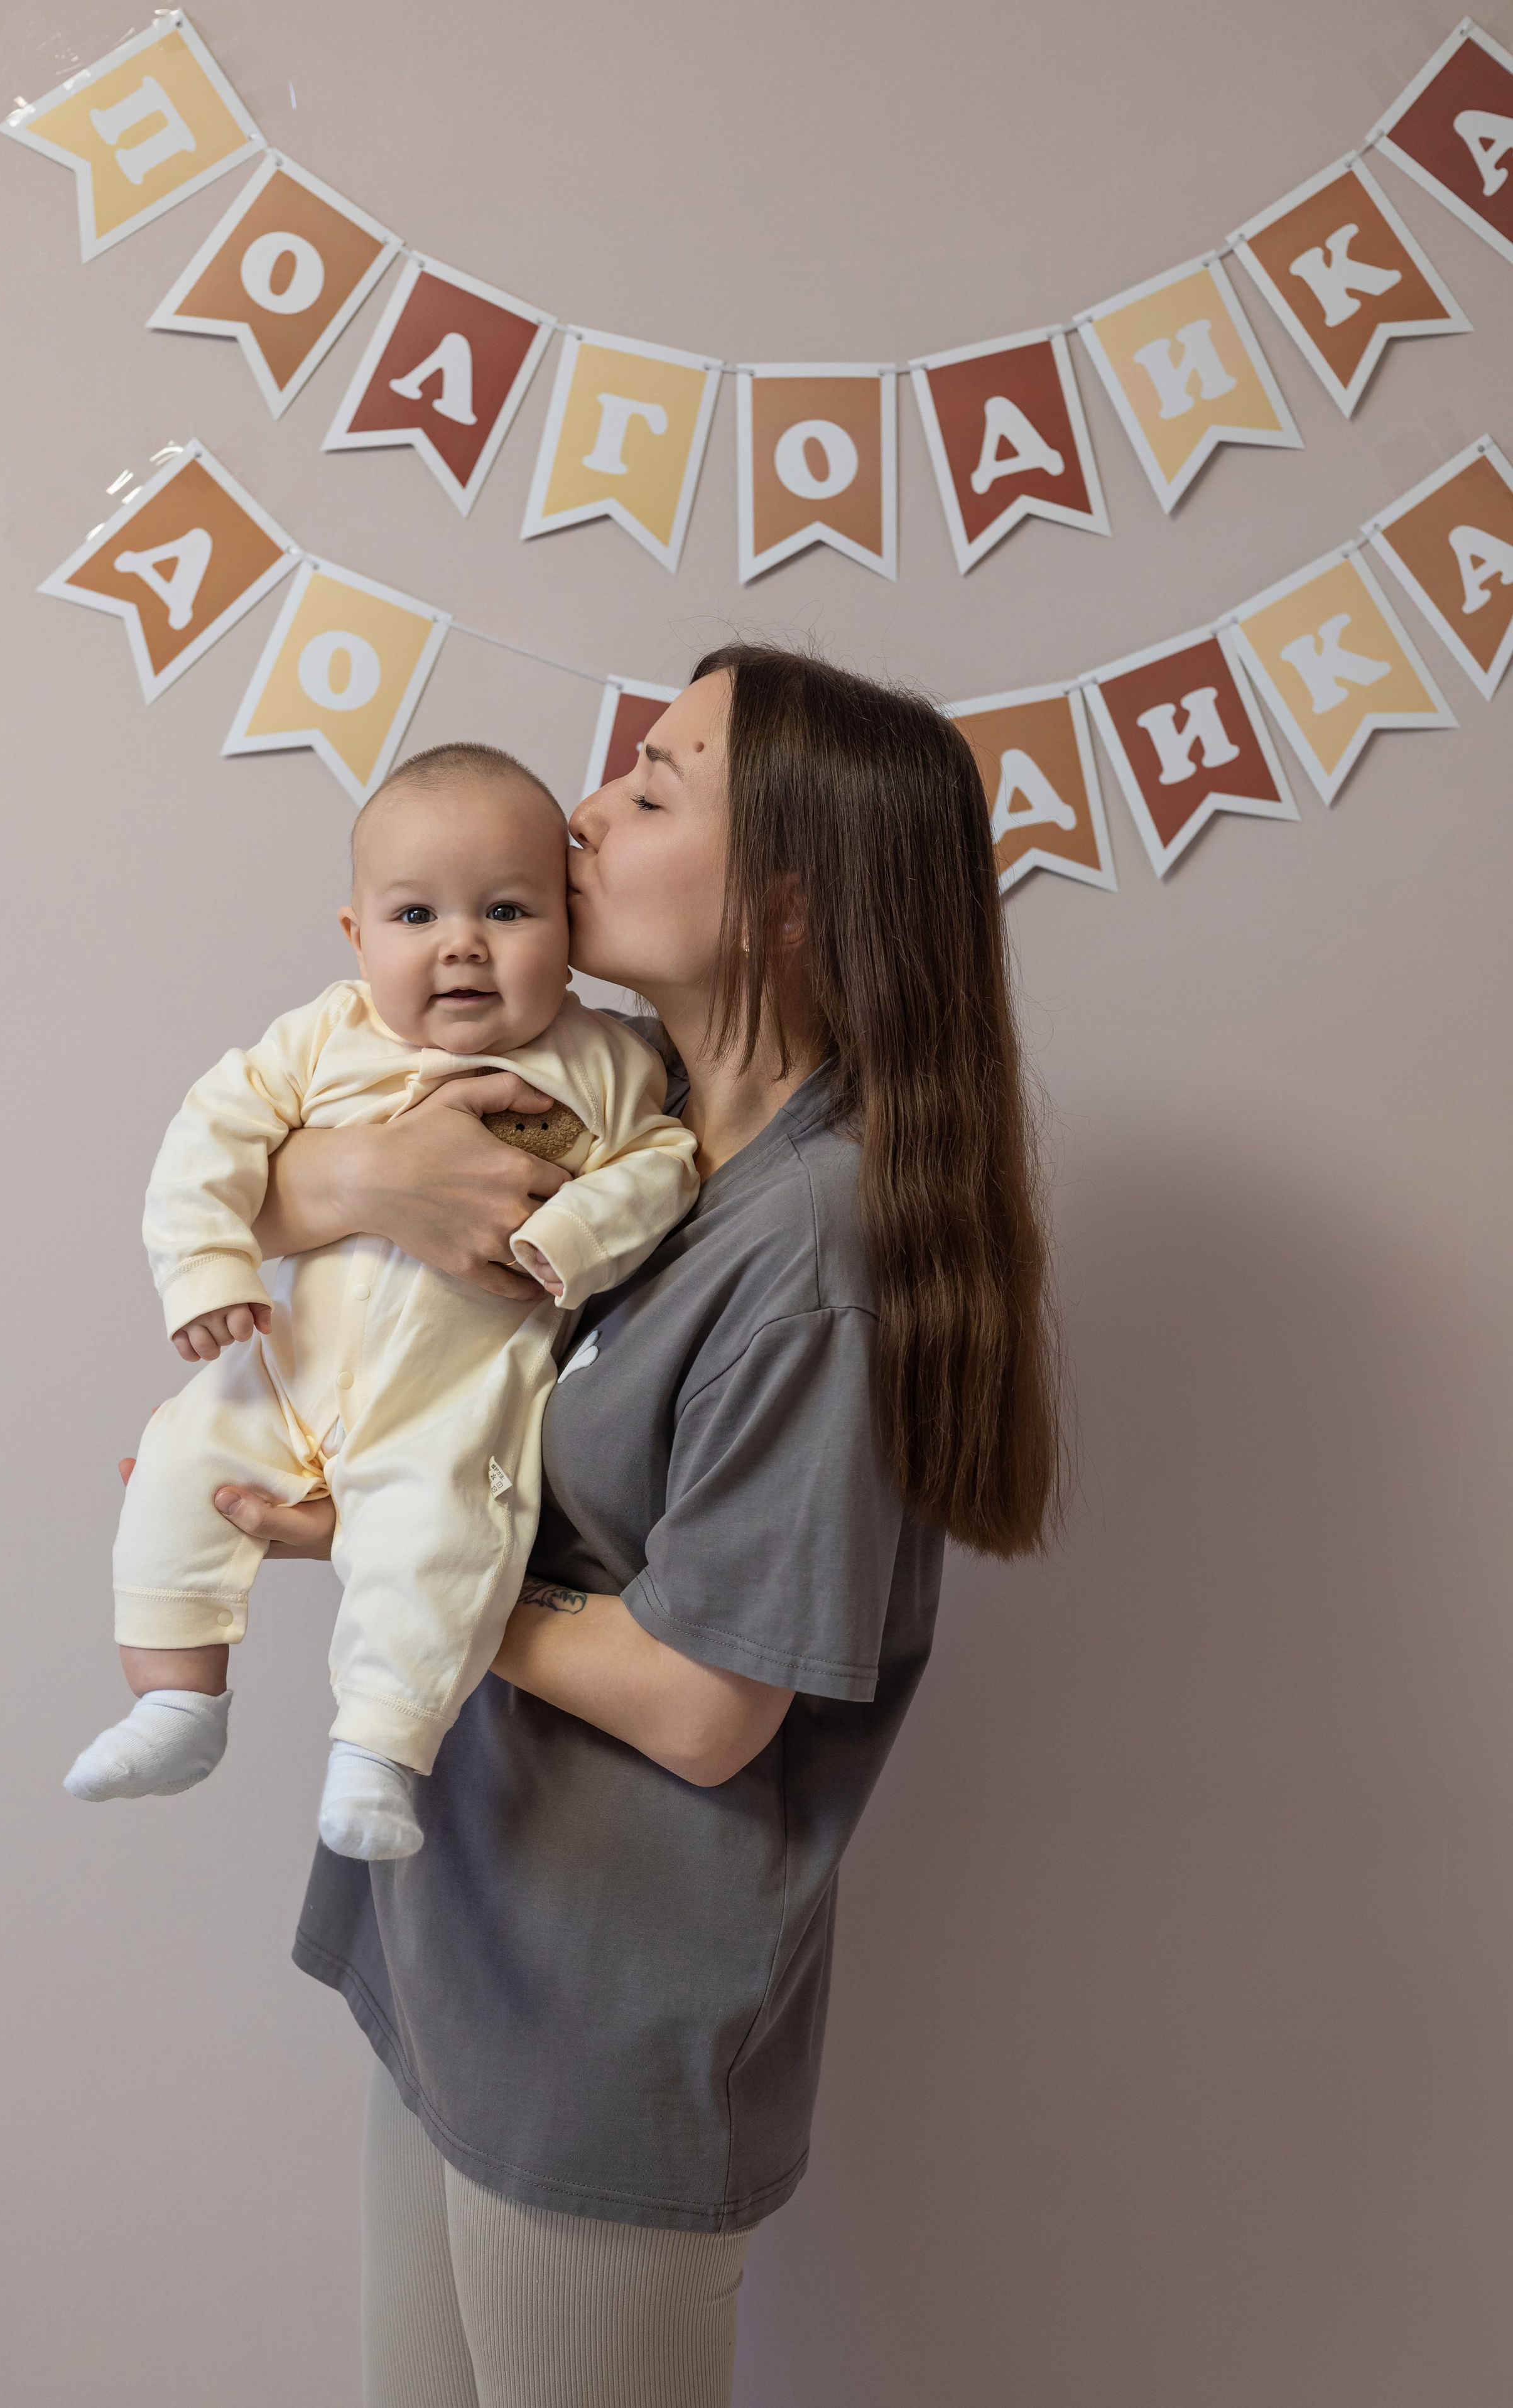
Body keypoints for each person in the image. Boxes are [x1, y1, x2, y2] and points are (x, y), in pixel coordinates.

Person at [192, 647, 1059, 2408]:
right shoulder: (629, 1105)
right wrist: (356, 1182)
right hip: (460, 1950)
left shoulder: (817, 1246)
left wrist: (390, 1546)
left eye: (656, 787)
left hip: (602, 2034)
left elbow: (704, 1699)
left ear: (788, 906)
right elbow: (261, 1150)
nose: (583, 811)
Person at [65, 745, 697, 1860]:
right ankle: (177, 1700)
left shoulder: (604, 1062)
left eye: (507, 909)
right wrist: (206, 1271)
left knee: (435, 1549)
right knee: (179, 1468)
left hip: (451, 1404)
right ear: (358, 937)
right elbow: (210, 1137)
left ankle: (377, 1750)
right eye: (416, 915)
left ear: (569, 923)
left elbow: (662, 1168)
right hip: (284, 1362)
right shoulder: (324, 1036)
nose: (462, 942)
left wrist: (568, 1238)